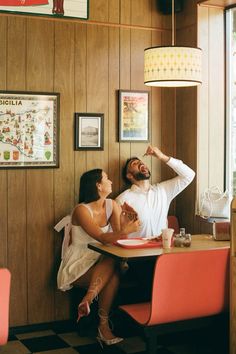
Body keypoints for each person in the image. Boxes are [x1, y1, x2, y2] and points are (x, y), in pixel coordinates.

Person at [57, 168, 140, 346]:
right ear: (98, 185)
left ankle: (90, 306)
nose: (110, 181)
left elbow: (117, 237)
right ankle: (102, 325)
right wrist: (126, 231)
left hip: (103, 258)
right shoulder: (81, 210)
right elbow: (102, 238)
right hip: (79, 262)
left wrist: (126, 224)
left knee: (111, 262)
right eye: (106, 178)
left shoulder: (112, 205)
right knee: (113, 268)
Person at [116, 145, 195, 238]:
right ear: (129, 175)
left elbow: (189, 175)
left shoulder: (163, 191)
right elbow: (114, 232)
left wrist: (162, 156)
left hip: (162, 249)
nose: (141, 163)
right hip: (136, 251)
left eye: (141, 162)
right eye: (134, 164)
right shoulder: (122, 199)